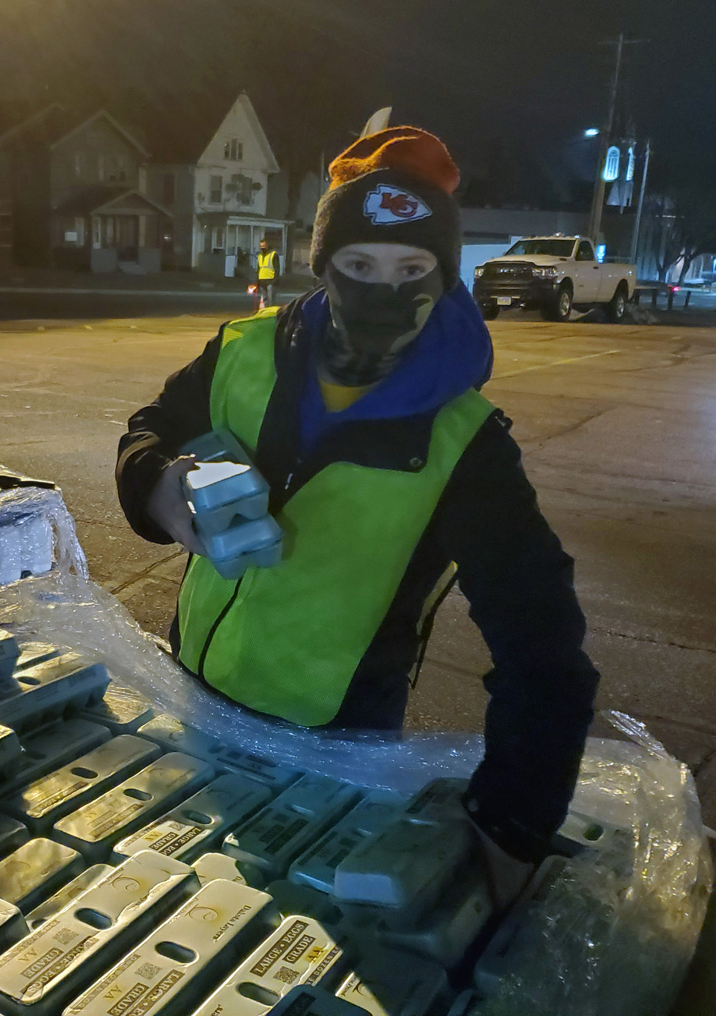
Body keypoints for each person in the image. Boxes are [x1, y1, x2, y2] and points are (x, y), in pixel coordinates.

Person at [116, 127, 600, 906]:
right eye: (359, 265)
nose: (385, 291)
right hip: (193, 684)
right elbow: (153, 425)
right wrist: (155, 487)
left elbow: (544, 650)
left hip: (334, 739)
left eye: (413, 270)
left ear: (445, 279)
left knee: (288, 931)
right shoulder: (243, 351)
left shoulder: (462, 443)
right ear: (324, 265)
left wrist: (510, 825)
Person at [255, 237, 281, 307]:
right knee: (265, 300)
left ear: (267, 245)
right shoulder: (259, 255)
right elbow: (258, 268)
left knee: (271, 300)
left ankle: (272, 315)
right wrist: (257, 280)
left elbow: (277, 268)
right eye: (261, 246)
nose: (262, 248)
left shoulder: (273, 254)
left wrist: (275, 280)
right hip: (262, 280)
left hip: (271, 280)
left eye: (263, 246)